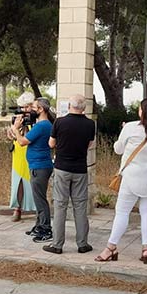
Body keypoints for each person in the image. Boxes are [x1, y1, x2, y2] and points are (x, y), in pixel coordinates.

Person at [95, 97, 147, 263]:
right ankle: (146, 248)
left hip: (131, 177)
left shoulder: (130, 127)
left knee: (122, 212)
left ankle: (110, 247)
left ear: (142, 111)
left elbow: (118, 149)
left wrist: (123, 131)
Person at [42, 94, 95, 255]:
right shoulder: (90, 124)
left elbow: (51, 143)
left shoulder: (60, 122)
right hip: (80, 169)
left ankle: (57, 244)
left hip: (62, 168)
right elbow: (89, 144)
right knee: (80, 206)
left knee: (60, 205)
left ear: (69, 106)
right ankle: (82, 243)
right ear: (84, 108)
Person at [10, 98, 55, 241]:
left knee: (40, 199)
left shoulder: (42, 126)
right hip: (38, 166)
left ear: (41, 109)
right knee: (38, 198)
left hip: (40, 167)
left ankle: (46, 229)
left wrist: (15, 129)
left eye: (33, 107)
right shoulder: (43, 125)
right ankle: (39, 225)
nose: (30, 110)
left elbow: (22, 142)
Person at [7, 92, 36, 222]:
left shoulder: (36, 120)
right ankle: (17, 209)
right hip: (18, 153)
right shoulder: (17, 119)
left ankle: (36, 208)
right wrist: (13, 130)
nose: (24, 110)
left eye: (27, 107)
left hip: (30, 152)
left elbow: (31, 136)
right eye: (23, 107)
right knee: (18, 182)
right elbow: (12, 135)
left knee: (34, 182)